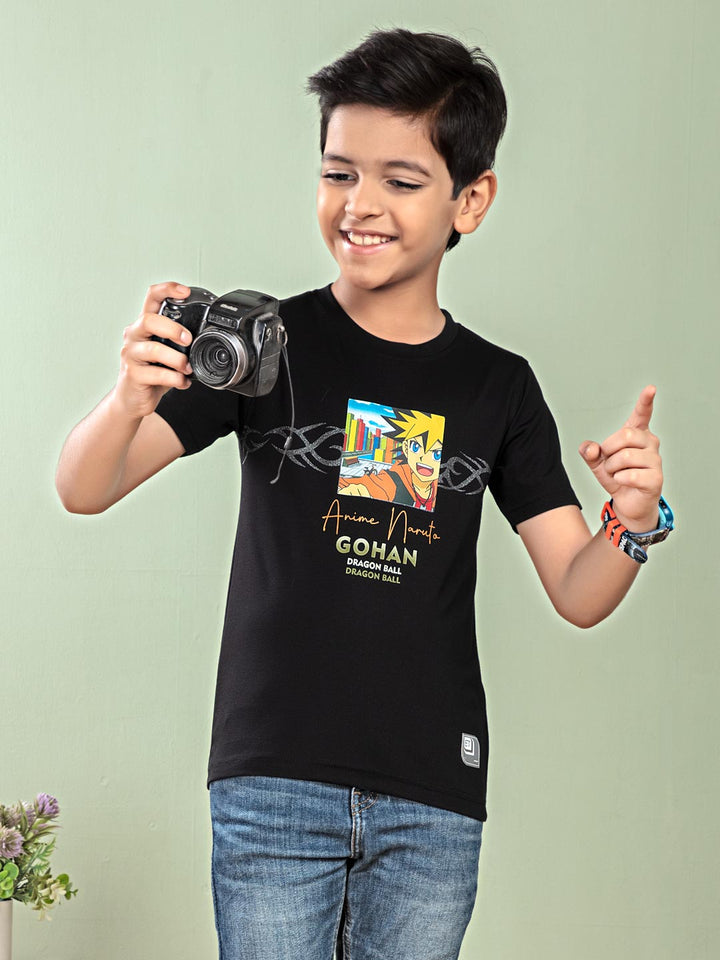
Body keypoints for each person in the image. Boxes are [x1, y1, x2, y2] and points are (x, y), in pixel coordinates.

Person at [55, 27, 671, 960]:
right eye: (338, 173)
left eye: (401, 180)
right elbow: (83, 486)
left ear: (471, 200)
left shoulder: (499, 387)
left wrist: (633, 521)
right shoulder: (264, 343)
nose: (361, 204)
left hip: (432, 797)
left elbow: (579, 591)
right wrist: (128, 399)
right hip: (272, 780)